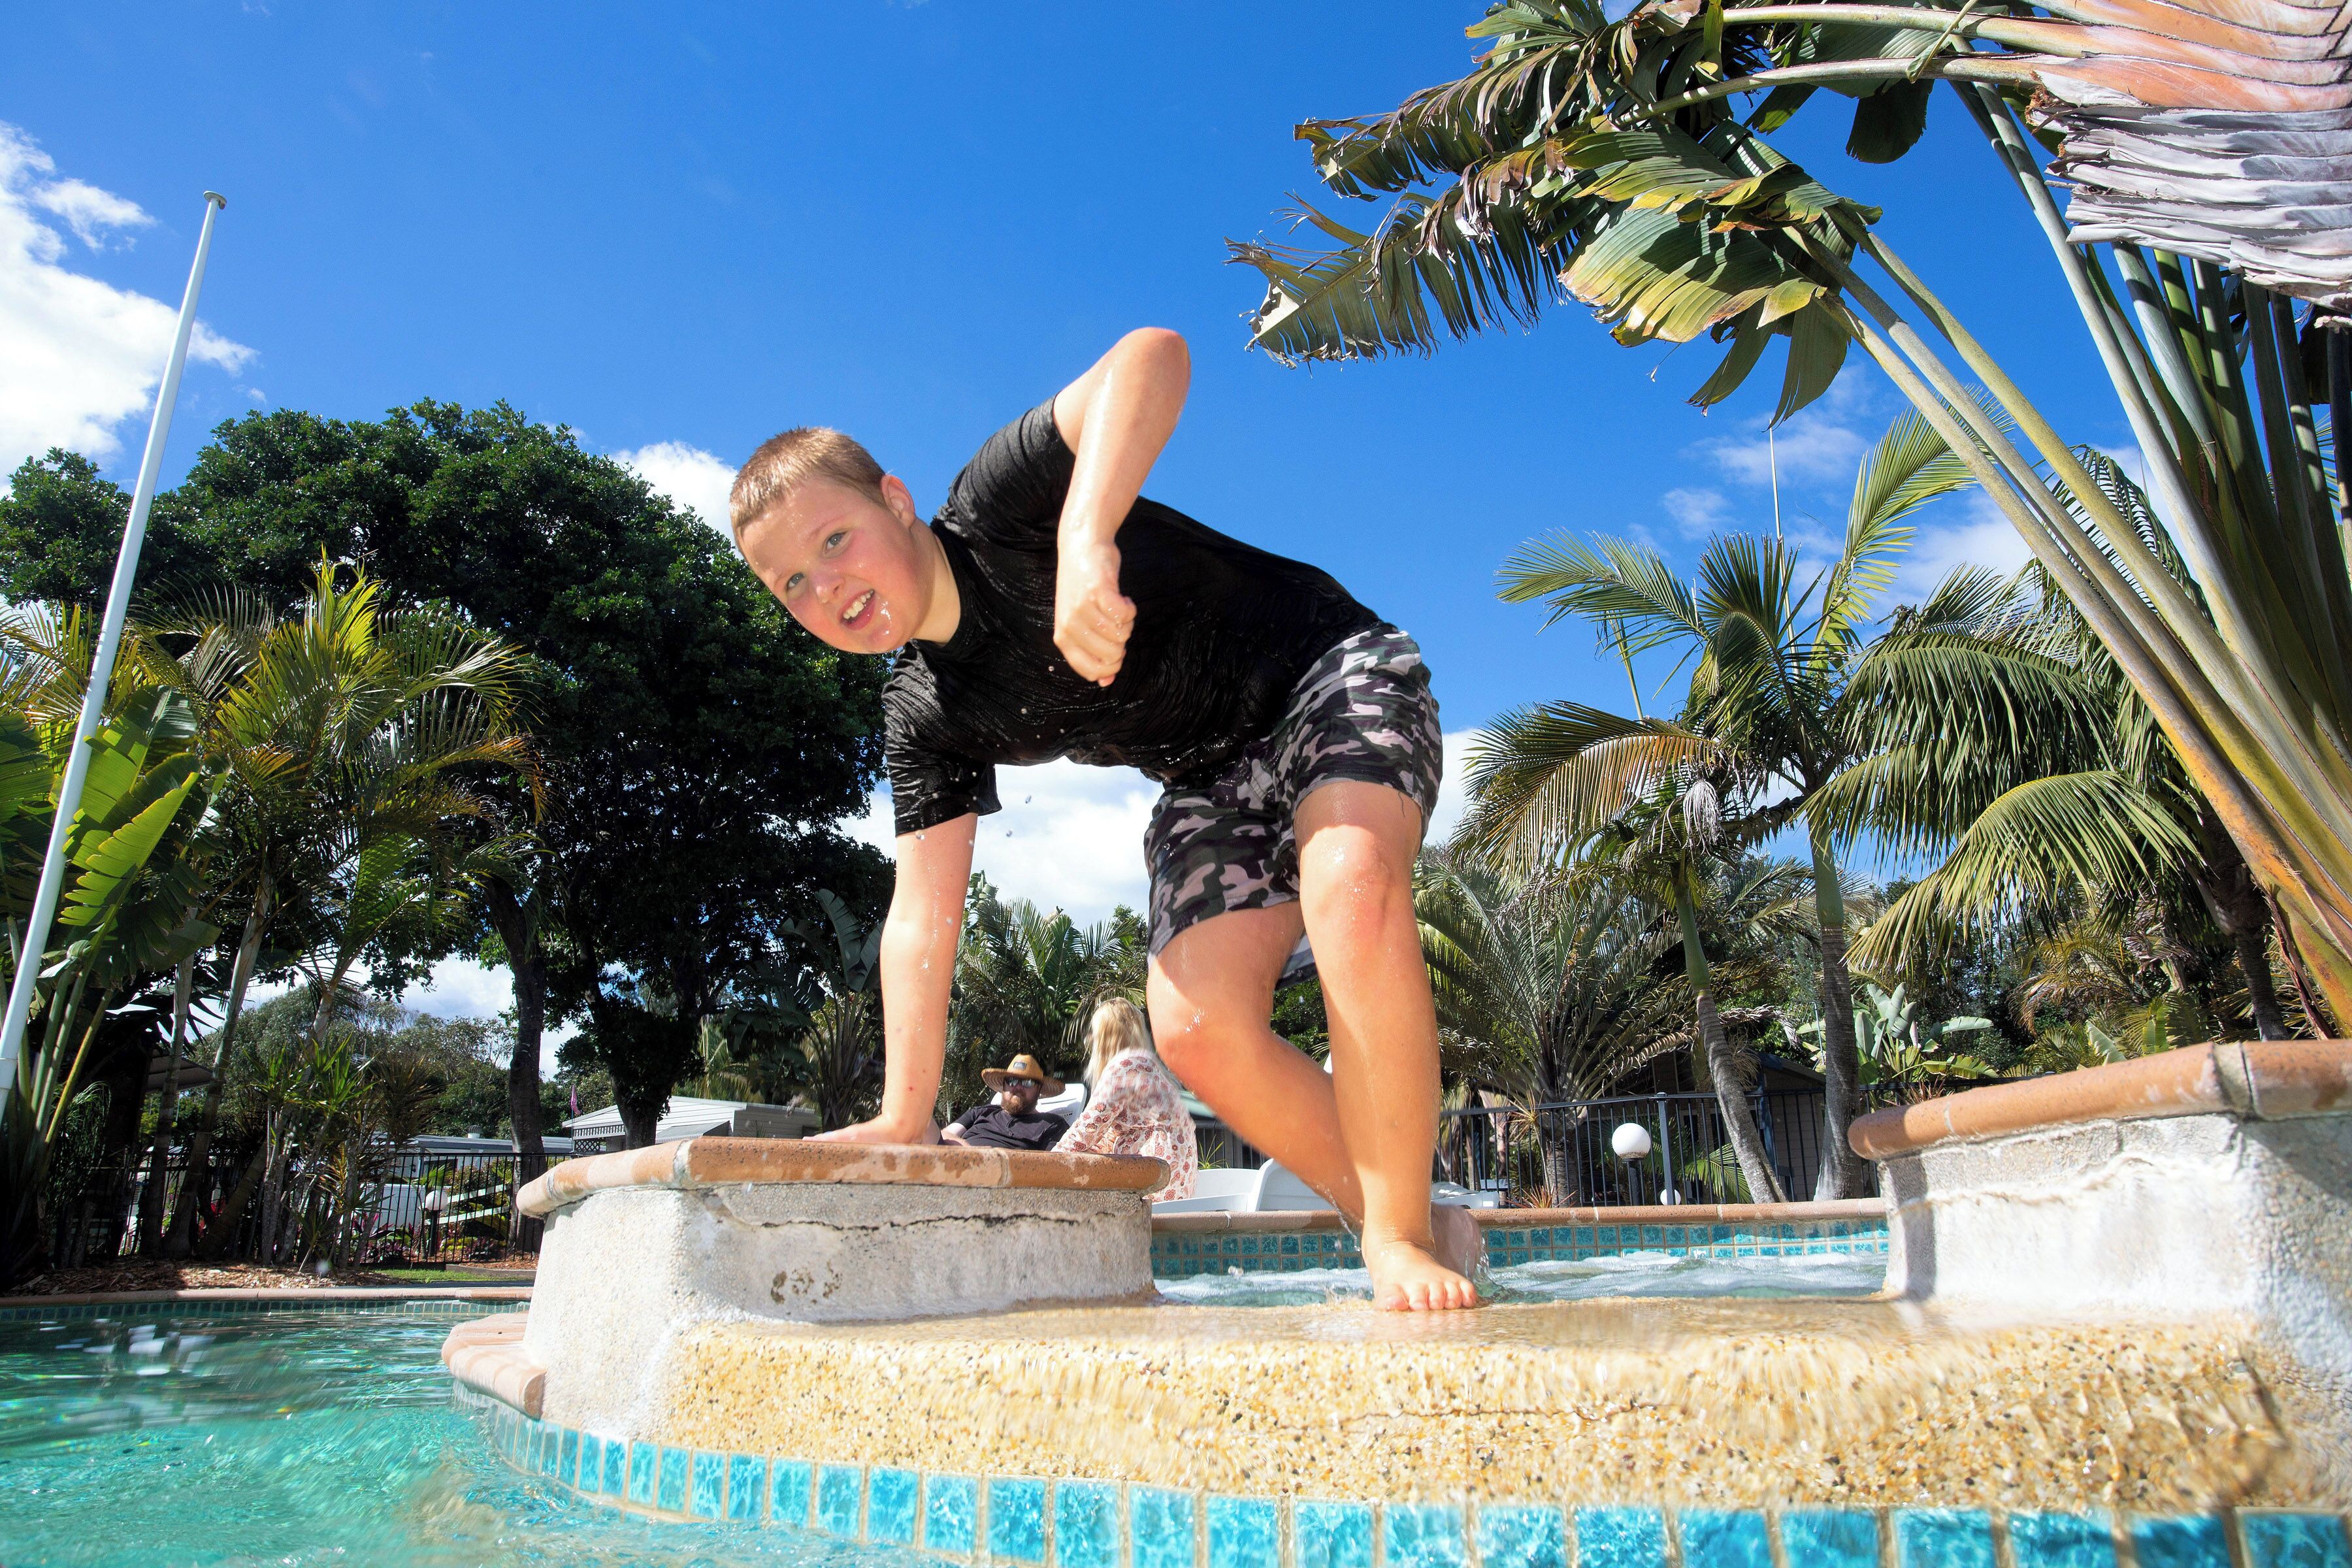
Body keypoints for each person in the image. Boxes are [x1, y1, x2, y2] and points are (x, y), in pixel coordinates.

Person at [728, 327, 1478, 1310]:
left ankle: (1399, 1240)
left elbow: (1150, 358)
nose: (825, 587)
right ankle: (1419, 1218)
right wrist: (904, 1115)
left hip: (1325, 671)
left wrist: (1086, 536)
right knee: (1197, 1028)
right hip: (1208, 774)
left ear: (896, 501)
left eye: (834, 541)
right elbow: (921, 915)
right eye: (792, 584)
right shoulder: (922, 715)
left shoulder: (996, 510)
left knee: (1351, 884)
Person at [1055, 999, 1197, 1201]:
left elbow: (1087, 1129)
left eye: (1094, 1033)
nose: (1089, 1040)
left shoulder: (1124, 1066)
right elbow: (1109, 1138)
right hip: (1178, 1184)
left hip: (1155, 1183)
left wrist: (1049, 1162)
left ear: (1107, 1037)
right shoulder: (1149, 1068)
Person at [941, 1054, 1071, 1151]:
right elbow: (946, 1134)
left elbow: (1052, 1166)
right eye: (1012, 1081)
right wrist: (970, 1152)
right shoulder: (982, 1112)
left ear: (1039, 1089)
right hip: (953, 1164)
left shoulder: (1052, 1124)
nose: (1018, 1087)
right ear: (1004, 1086)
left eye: (1027, 1082)